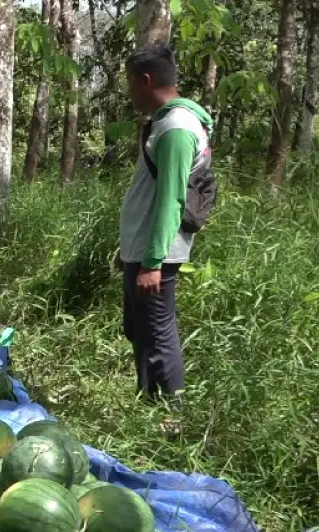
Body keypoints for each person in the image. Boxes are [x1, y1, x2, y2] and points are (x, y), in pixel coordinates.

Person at [119, 44, 214, 416]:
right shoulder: (165, 121)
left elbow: (172, 199)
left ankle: (175, 420)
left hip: (155, 253)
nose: (129, 92)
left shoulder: (176, 128)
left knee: (158, 335)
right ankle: (148, 406)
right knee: (140, 330)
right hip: (141, 248)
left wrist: (152, 262)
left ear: (146, 80)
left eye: (130, 83)